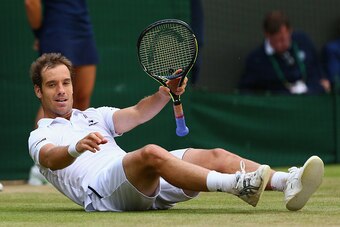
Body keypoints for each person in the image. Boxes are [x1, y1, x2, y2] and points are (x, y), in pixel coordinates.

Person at [28, 53, 324, 212]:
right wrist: (76, 147)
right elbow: (51, 159)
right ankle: (237, 185)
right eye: (52, 84)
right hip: (102, 194)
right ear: (39, 91)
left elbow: (138, 113)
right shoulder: (41, 134)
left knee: (214, 155)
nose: (62, 90)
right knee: (150, 153)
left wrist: (164, 93)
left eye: (66, 82)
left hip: (138, 183)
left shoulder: (93, 116)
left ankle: (288, 181)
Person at [25, 0, 99, 185]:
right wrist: (39, 34)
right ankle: (41, 164)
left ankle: (72, 157)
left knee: (81, 96)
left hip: (81, 24)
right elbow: (31, 3)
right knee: (55, 98)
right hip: (56, 27)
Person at [239, 10, 330, 95]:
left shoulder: (303, 41)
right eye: (275, 41)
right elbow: (246, 91)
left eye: (283, 40)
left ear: (290, 31)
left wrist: (314, 88)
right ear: (266, 35)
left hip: (312, 99)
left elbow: (320, 75)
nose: (279, 45)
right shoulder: (256, 60)